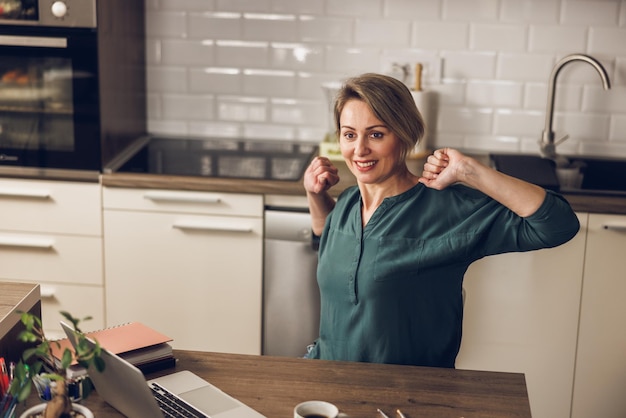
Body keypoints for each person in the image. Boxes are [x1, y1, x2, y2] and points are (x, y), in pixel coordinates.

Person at [303, 73, 580, 368]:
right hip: (328, 386)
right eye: (349, 134)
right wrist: (315, 196)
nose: (359, 150)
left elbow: (558, 225)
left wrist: (470, 171)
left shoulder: (449, 209)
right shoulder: (346, 203)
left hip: (408, 399)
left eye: (376, 134)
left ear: (405, 135)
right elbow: (332, 243)